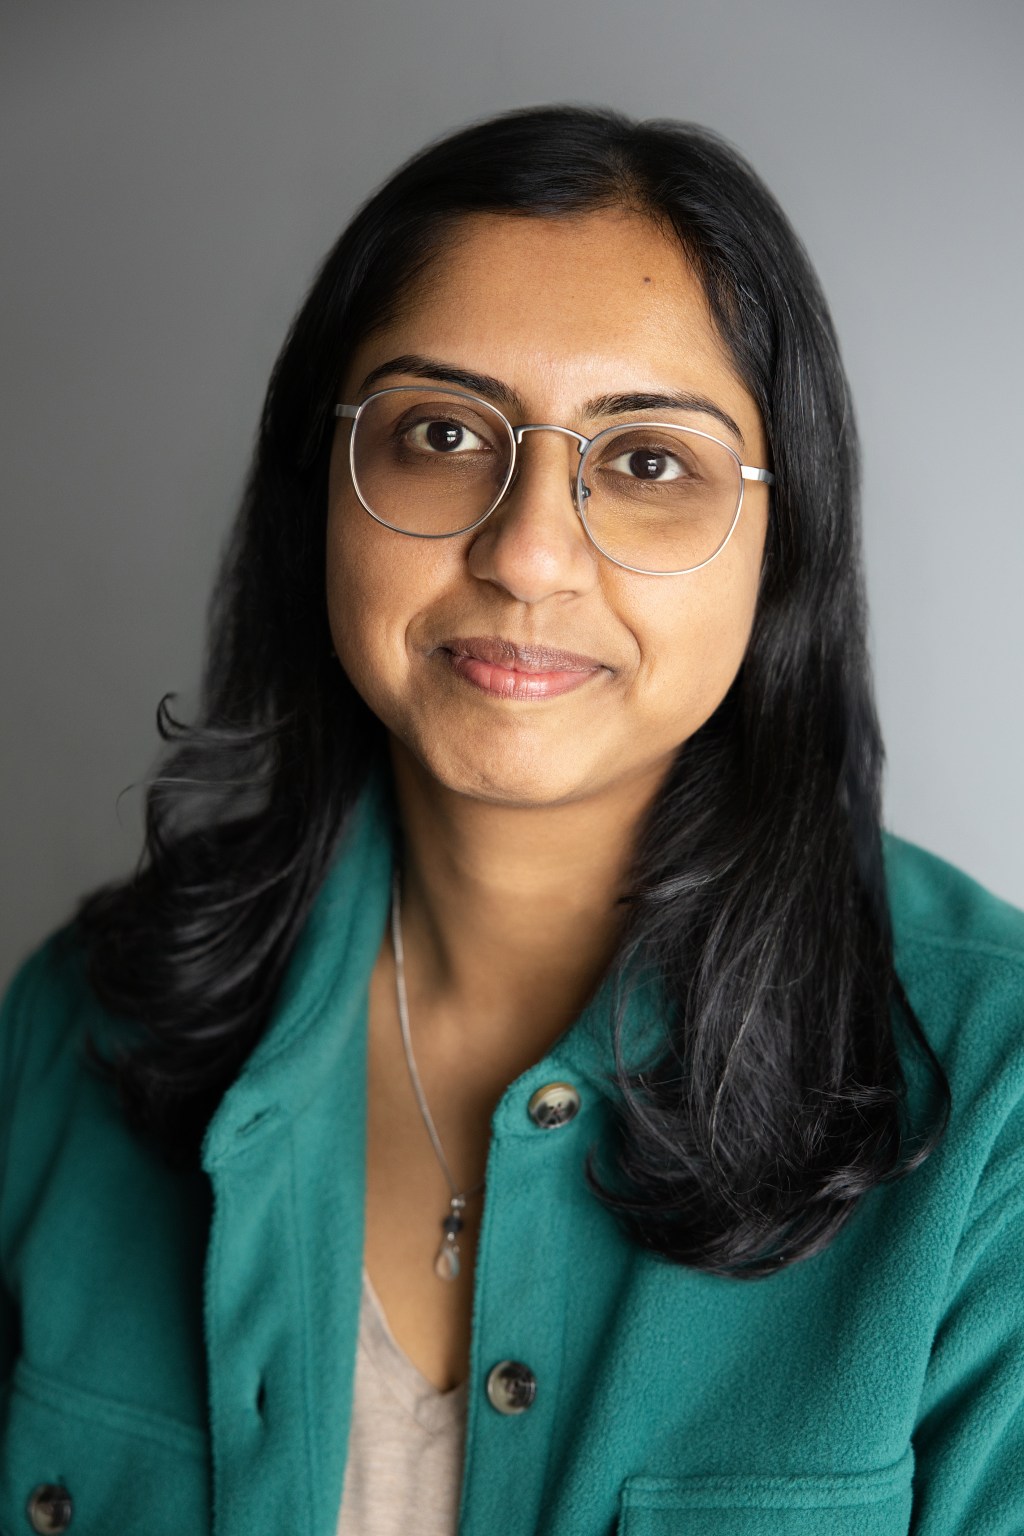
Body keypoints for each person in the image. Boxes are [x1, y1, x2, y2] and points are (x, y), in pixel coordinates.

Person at [1, 103, 1022, 1536]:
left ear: (780, 546)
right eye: (440, 433)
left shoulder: (998, 1103)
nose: (528, 550)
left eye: (649, 461)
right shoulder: (71, 1033)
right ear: (324, 498)